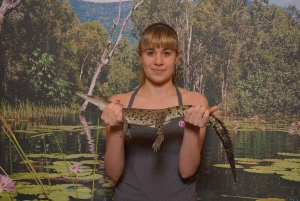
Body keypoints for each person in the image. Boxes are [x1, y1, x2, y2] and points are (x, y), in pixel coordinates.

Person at [101, 22, 218, 201]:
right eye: (150, 53)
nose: (158, 61)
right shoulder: (119, 103)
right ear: (140, 56)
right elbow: (114, 174)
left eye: (166, 53)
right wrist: (116, 126)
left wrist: (192, 129)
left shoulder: (195, 102)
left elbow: (187, 171)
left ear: (177, 57)